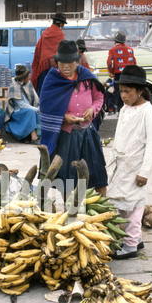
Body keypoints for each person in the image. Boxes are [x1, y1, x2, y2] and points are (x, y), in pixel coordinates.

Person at [39, 40, 107, 201]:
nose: (67, 66)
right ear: (57, 62)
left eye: (71, 62)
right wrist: (63, 117)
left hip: (88, 132)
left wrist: (92, 109)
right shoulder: (52, 79)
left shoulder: (87, 77)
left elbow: (99, 98)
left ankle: (100, 209)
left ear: (77, 61)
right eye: (63, 62)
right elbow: (45, 106)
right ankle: (70, 210)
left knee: (97, 173)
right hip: (66, 135)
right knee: (67, 179)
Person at [106, 65, 152, 260]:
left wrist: (144, 171)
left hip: (137, 168)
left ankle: (130, 247)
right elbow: (120, 136)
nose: (123, 95)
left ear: (140, 91)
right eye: (121, 91)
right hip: (122, 167)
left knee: (134, 208)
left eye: (127, 91)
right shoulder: (125, 109)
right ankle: (135, 239)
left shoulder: (149, 113)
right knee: (121, 204)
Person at [31, 13, 67, 96]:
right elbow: (62, 50)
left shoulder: (46, 31)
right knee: (53, 90)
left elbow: (39, 48)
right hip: (54, 65)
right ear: (61, 24)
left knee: (43, 88)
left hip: (44, 66)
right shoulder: (60, 33)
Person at [5, 65, 40, 145]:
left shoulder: (28, 83)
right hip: (18, 113)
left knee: (36, 111)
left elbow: (35, 99)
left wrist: (38, 107)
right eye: (28, 75)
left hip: (28, 109)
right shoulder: (14, 86)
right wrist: (35, 109)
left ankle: (28, 136)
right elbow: (21, 105)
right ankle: (34, 137)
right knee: (30, 112)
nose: (29, 77)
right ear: (24, 77)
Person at [107, 30, 136, 113]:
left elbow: (110, 62)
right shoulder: (130, 50)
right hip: (129, 75)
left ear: (115, 41)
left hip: (119, 75)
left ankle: (121, 112)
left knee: (120, 93)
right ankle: (130, 110)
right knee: (128, 92)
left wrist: (111, 72)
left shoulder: (112, 50)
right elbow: (134, 62)